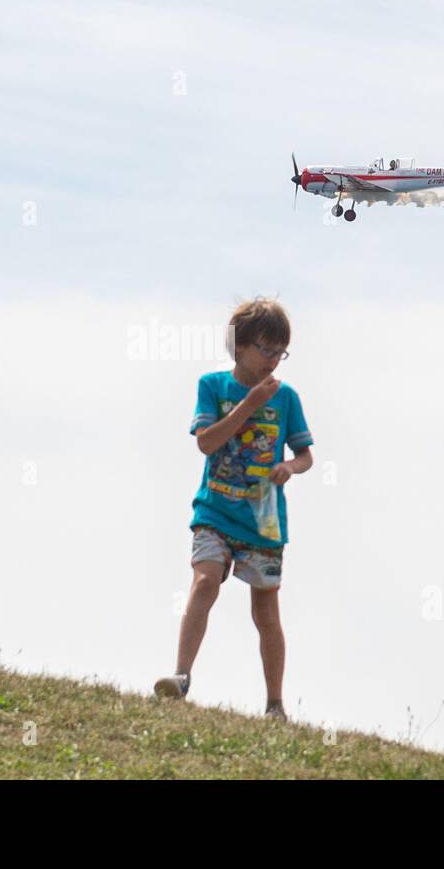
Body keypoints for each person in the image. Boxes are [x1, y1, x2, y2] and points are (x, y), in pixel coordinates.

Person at [155, 297, 314, 720]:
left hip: (263, 521)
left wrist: (288, 466)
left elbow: (306, 455)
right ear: (239, 345)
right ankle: (181, 676)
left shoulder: (288, 398)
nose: (273, 361)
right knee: (205, 582)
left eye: (280, 351)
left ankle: (275, 703)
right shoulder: (212, 386)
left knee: (265, 612)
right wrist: (249, 404)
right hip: (215, 510)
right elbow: (206, 442)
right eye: (266, 349)